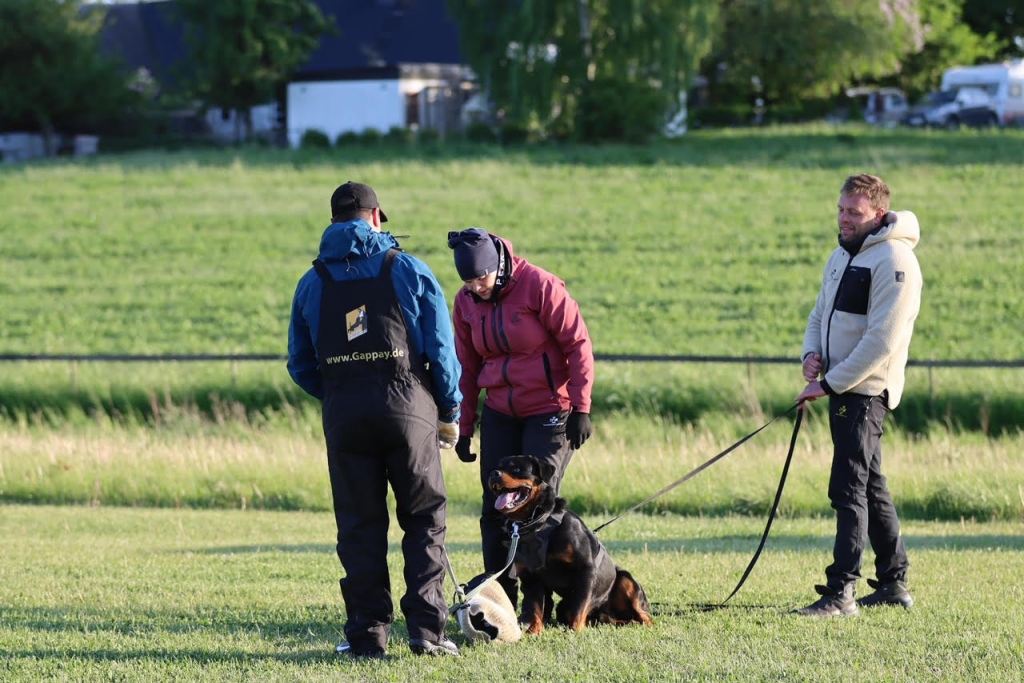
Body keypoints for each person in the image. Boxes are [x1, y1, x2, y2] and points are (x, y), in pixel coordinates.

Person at [288, 181, 462, 657]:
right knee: (424, 520)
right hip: (409, 411)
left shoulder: (311, 282)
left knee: (359, 527)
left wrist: (339, 391)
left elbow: (299, 364)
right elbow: (441, 350)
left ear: (332, 222)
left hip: (345, 417)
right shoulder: (407, 268)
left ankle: (367, 637)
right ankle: (427, 634)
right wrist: (449, 411)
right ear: (377, 217)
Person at [795, 174, 922, 617]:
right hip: (842, 387)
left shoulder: (895, 261)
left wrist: (829, 382)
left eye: (854, 212)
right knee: (870, 484)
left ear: (879, 214)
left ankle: (841, 592)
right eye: (841, 209)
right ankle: (892, 582)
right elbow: (819, 314)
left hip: (865, 392)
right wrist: (811, 355)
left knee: (848, 487)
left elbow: (882, 340)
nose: (844, 218)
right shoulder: (841, 255)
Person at [447, 228, 595, 606]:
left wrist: (581, 408)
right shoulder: (465, 302)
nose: (476, 287)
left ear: (498, 265)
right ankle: (500, 597)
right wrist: (464, 427)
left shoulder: (540, 286)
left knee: (536, 503)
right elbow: (467, 366)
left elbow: (577, 344)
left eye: (481, 278)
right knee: (496, 502)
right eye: (468, 281)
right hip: (500, 411)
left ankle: (539, 603)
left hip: (549, 408)